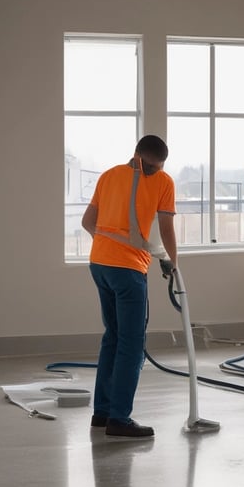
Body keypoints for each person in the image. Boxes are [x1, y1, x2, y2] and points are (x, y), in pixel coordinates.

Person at [81, 134, 178, 438]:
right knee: (131, 344)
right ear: (138, 157)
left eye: (159, 168)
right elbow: (165, 227)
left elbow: (88, 222)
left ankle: (103, 413)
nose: (155, 172)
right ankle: (119, 419)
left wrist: (112, 243)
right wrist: (173, 263)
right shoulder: (164, 183)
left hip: (99, 265)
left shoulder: (109, 176)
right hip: (128, 271)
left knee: (113, 337)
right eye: (151, 167)